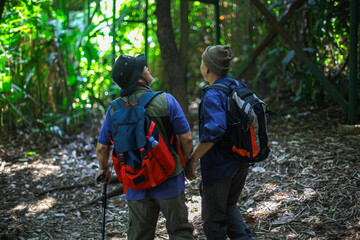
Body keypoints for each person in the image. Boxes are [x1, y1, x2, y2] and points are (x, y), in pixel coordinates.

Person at [96, 54, 194, 240]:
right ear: (140, 77)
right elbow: (187, 138)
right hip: (169, 178)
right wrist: (182, 162)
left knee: (139, 236)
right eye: (145, 68)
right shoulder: (166, 100)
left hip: (136, 183)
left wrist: (103, 169)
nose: (148, 69)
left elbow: (102, 148)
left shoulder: (115, 109)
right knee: (180, 232)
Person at [185, 45, 254, 240]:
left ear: (206, 68)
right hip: (241, 161)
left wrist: (194, 158)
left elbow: (216, 128)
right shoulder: (239, 86)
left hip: (219, 167)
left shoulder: (213, 94)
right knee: (230, 206)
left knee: (213, 220)